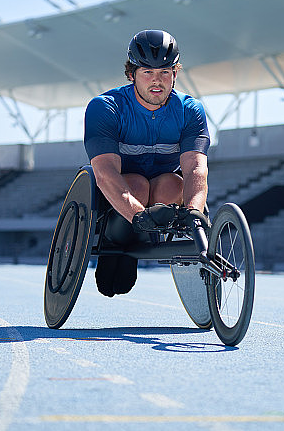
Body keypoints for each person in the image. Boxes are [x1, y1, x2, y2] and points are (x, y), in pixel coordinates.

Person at [83, 30, 210, 297]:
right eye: (147, 72)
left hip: (163, 190)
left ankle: (143, 235)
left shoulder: (190, 110)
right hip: (122, 191)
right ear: (132, 74)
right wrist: (138, 217)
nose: (156, 80)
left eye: (164, 72)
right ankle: (117, 240)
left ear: (175, 74)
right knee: (137, 184)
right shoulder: (105, 107)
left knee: (174, 185)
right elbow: (104, 173)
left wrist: (195, 212)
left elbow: (195, 168)